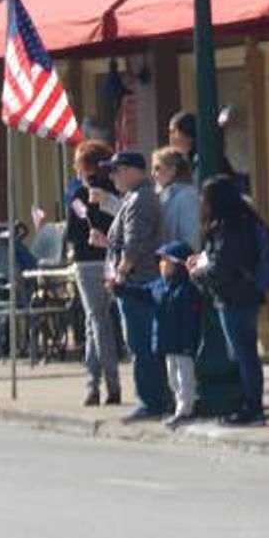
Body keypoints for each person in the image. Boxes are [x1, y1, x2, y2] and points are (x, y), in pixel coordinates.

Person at [191, 175, 267, 425]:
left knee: (244, 355)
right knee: (246, 353)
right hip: (246, 295)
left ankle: (252, 407)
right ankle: (249, 404)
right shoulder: (244, 221)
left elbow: (222, 267)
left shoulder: (226, 228)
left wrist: (197, 273)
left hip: (234, 298)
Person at [104, 150, 170, 419]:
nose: (112, 177)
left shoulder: (140, 199)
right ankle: (154, 399)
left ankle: (151, 401)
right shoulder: (133, 197)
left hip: (139, 283)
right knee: (142, 344)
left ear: (132, 170)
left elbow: (135, 244)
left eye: (116, 171)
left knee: (141, 345)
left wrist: (120, 274)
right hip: (139, 281)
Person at [64, 139, 122, 407]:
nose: (76, 170)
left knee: (98, 322)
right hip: (111, 260)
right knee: (94, 322)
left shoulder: (81, 194)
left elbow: (72, 233)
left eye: (78, 164)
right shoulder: (115, 190)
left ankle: (110, 383)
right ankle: (92, 385)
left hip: (88, 262)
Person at [148, 240, 206, 428]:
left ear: (178, 265)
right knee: (172, 378)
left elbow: (191, 320)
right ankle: (179, 406)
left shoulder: (188, 289)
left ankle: (185, 409)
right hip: (168, 343)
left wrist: (188, 342)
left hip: (182, 344)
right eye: (161, 261)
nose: (161, 264)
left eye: (166, 261)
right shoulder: (160, 286)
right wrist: (120, 288)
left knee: (184, 376)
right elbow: (141, 292)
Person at [153, 146, 201, 249]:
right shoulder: (165, 196)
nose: (153, 174)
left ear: (172, 170)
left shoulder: (188, 197)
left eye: (157, 168)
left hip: (180, 258)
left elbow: (192, 241)